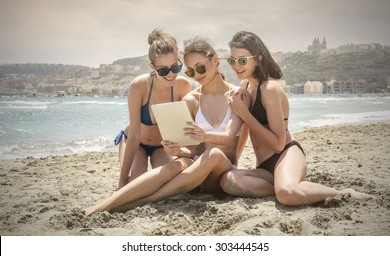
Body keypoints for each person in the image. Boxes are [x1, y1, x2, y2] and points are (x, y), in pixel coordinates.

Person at [85, 37, 249, 215]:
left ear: (215, 60)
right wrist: (178, 151)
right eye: (191, 72)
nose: (197, 75)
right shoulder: (190, 100)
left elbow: (232, 137)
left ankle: (144, 201)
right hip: (194, 171)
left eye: (200, 68)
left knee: (213, 154)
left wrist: (204, 137)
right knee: (176, 165)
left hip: (219, 170)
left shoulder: (237, 95)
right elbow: (193, 151)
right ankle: (106, 205)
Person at [220, 30, 374, 205]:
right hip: (264, 167)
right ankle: (282, 186)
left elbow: (278, 143)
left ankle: (343, 192)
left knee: (287, 194)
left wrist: (245, 114)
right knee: (228, 180)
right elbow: (245, 130)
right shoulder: (245, 85)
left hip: (285, 154)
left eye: (242, 61)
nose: (235, 66)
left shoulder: (270, 88)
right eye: (232, 61)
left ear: (259, 59)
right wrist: (234, 157)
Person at [115, 28, 192, 190]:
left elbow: (185, 131)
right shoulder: (139, 86)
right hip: (135, 143)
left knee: (160, 184)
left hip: (161, 146)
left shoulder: (183, 86)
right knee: (134, 185)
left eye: (175, 67)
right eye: (163, 70)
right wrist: (121, 182)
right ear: (152, 66)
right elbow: (135, 135)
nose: (171, 74)